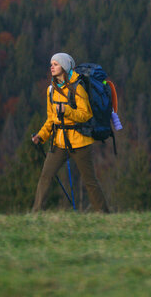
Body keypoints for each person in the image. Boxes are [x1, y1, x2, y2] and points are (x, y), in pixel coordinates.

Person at [31, 53, 109, 212]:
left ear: (64, 67)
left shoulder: (78, 87)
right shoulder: (51, 90)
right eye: (51, 64)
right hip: (59, 143)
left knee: (89, 181)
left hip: (80, 142)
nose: (52, 67)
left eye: (56, 64)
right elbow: (51, 118)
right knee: (46, 176)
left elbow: (85, 114)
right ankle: (36, 213)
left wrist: (66, 111)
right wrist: (42, 135)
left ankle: (104, 214)